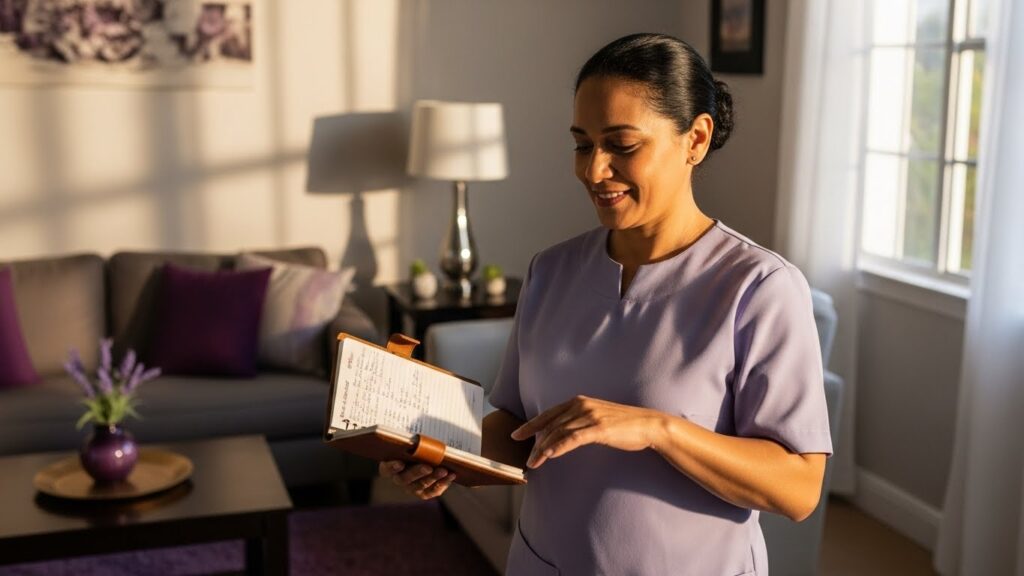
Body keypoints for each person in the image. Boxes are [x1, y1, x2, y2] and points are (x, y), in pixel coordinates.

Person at [381, 32, 832, 575]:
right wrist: (443, 453)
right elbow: (519, 429)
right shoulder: (550, 270)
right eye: (582, 143)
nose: (593, 170)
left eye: (621, 144)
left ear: (696, 139)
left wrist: (656, 429)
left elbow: (799, 488)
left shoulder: (760, 287)